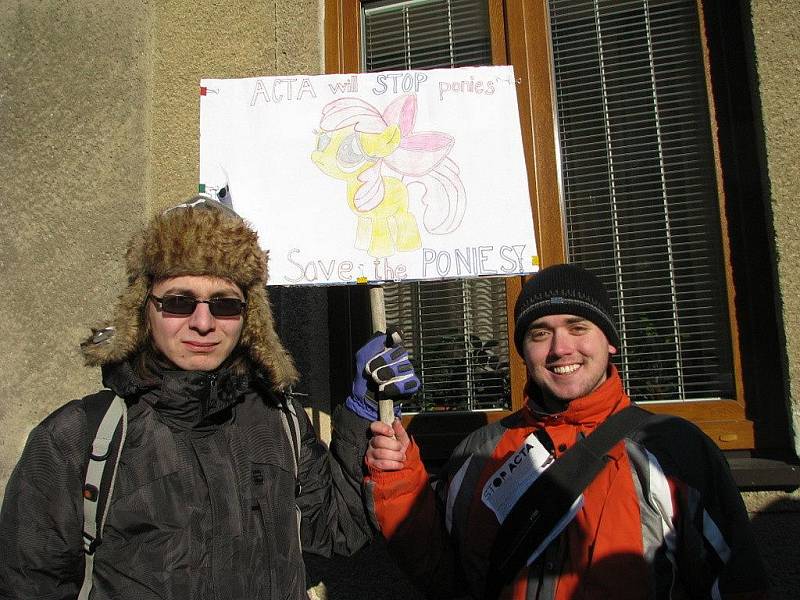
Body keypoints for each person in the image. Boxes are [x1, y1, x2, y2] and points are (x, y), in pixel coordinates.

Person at [0, 196, 375, 599]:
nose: (203, 323)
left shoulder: (278, 421)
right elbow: (27, 586)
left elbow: (336, 529)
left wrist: (364, 413)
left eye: (225, 304)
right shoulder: (79, 438)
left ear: (250, 318)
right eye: (179, 302)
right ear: (144, 309)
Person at [360, 263, 768, 599]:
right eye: (540, 333)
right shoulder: (478, 453)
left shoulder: (676, 450)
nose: (560, 349)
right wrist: (397, 481)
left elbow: (736, 584)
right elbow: (444, 577)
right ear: (524, 351)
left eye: (577, 327)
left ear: (609, 341)